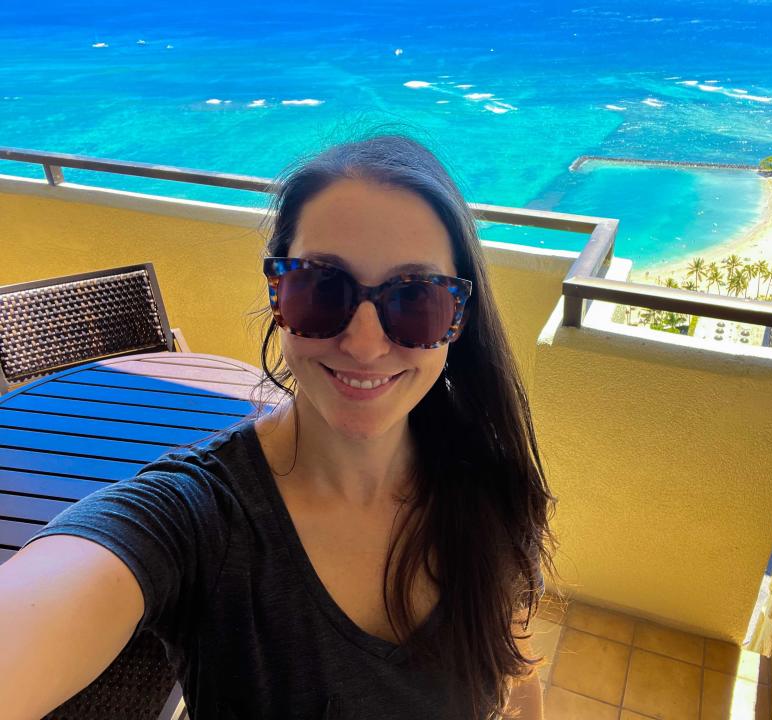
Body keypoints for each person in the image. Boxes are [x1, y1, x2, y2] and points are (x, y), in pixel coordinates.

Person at [0, 135, 558, 719]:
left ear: (460, 318)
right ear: (277, 296)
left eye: (417, 298)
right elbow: (57, 593)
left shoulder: (488, 483)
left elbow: (514, 674)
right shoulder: (195, 519)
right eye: (321, 288)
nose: (366, 344)